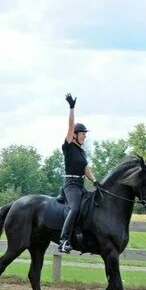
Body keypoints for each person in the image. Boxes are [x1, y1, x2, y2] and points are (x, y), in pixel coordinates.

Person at [58, 92, 97, 253]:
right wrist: (72, 108)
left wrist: (96, 182)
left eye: (85, 135)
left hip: (80, 184)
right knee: (74, 209)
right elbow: (70, 125)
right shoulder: (68, 146)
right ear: (74, 135)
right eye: (82, 134)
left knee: (91, 206)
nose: (84, 137)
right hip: (70, 185)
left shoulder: (81, 151)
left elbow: (86, 170)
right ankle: (63, 241)